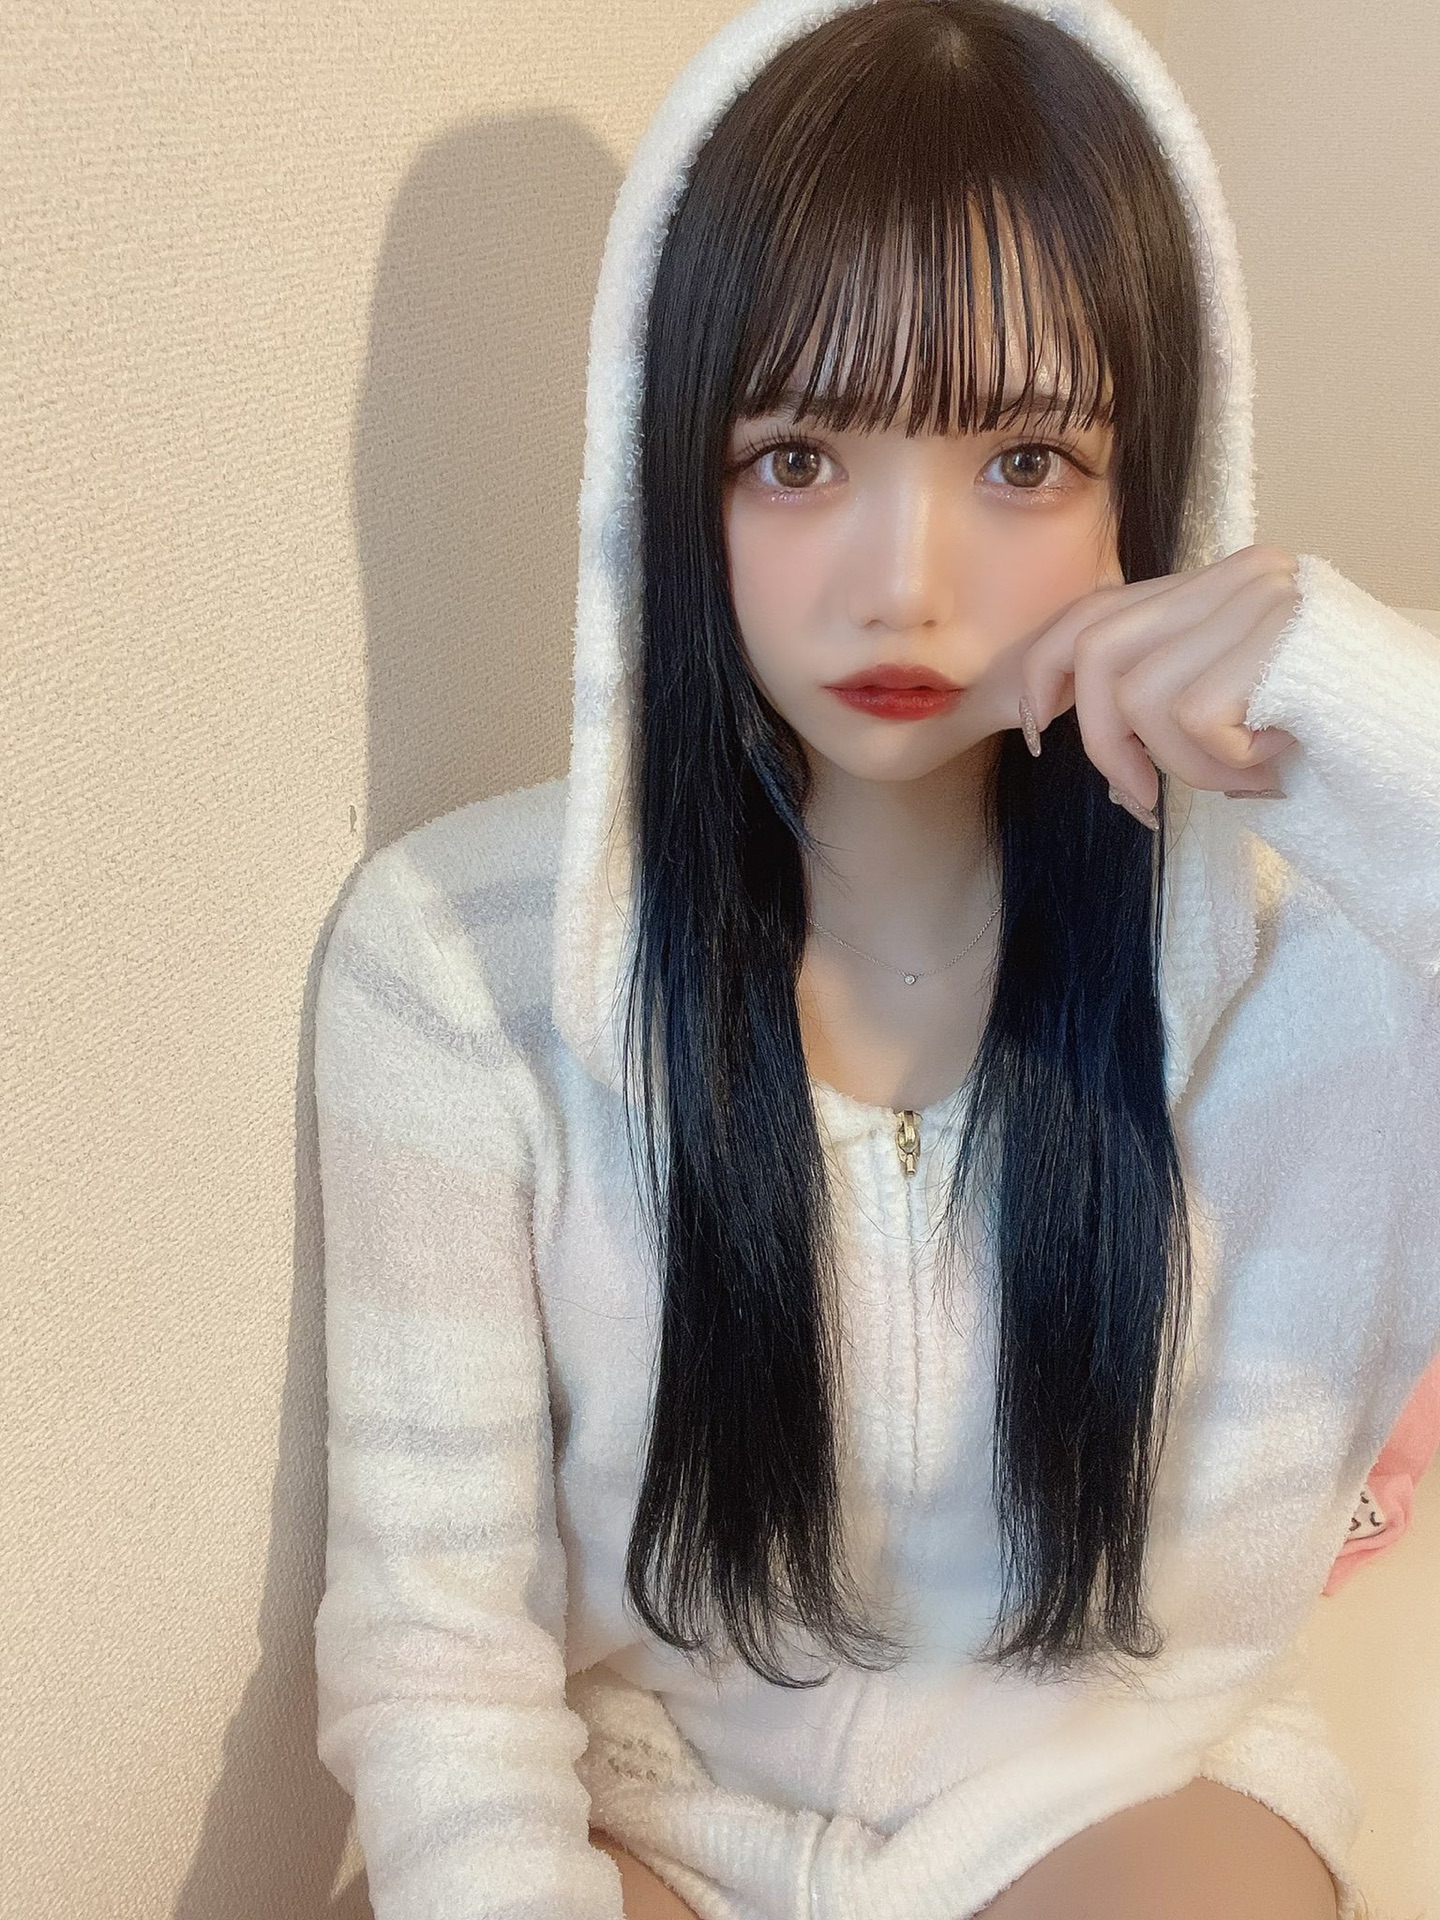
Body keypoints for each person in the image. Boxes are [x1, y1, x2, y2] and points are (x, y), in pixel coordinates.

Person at [310, 1, 1440, 1915]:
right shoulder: (452, 965)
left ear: (1156, 487)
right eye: (798, 457)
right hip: (642, 1807)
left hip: (1119, 1794)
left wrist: (1364, 711)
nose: (904, 584)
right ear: (673, 472)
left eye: (1025, 460)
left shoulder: (1337, 969)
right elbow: (437, 1656)